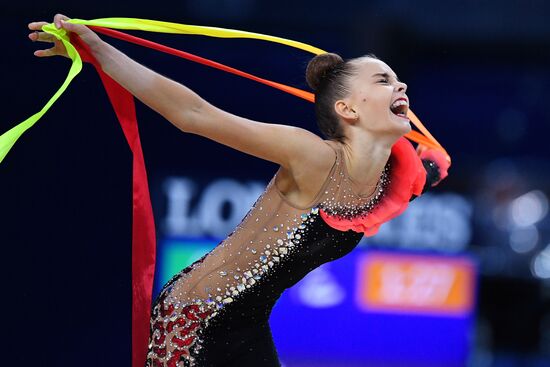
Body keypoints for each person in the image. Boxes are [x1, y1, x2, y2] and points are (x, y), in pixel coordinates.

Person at [28, 14, 450, 367]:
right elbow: (193, 114)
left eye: (398, 80)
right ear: (347, 109)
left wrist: (433, 167)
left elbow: (420, 178)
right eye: (383, 80)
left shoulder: (389, 182)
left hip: (247, 323)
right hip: (193, 317)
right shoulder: (313, 156)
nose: (401, 87)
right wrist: (97, 50)